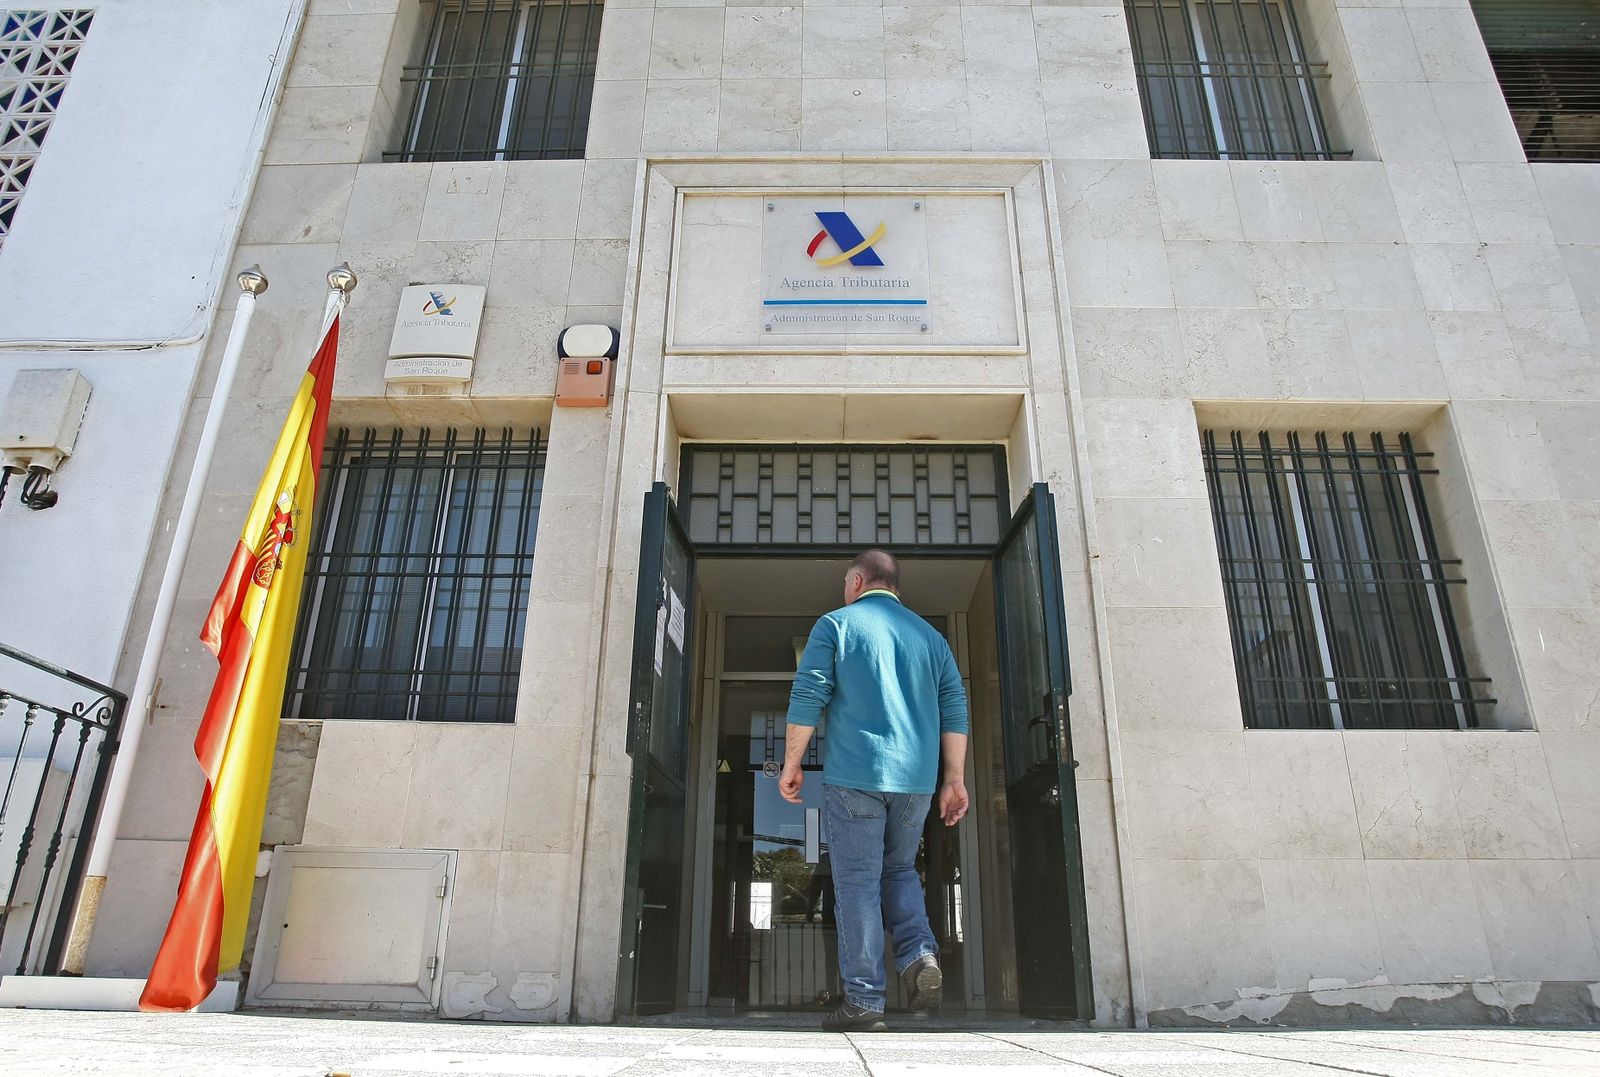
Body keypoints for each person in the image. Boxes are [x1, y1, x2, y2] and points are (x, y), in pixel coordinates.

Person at [779, 549, 970, 1032]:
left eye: (846, 583)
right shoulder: (932, 639)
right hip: (916, 783)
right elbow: (954, 709)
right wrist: (954, 779)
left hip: (856, 777)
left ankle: (864, 999)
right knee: (900, 870)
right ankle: (919, 954)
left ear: (857, 582)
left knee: (857, 882)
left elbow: (808, 694)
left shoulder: (836, 624)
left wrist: (792, 763)